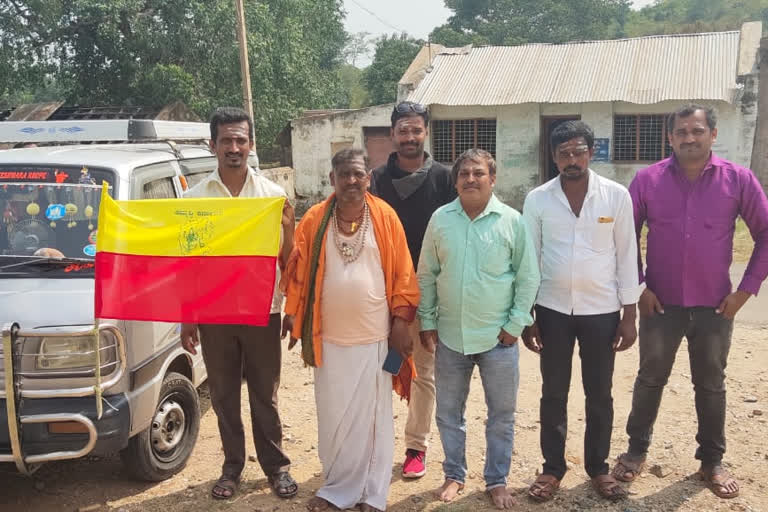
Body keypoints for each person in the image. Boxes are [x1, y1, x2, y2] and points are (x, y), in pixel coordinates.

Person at [612, 104, 768, 499]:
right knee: (650, 378)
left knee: (711, 384)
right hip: (660, 304)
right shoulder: (648, 180)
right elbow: (623, 238)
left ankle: (711, 460)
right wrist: (639, 287)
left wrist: (745, 291)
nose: (689, 137)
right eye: (681, 131)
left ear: (713, 135)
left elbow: (766, 233)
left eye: (697, 130)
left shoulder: (739, 180)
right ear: (670, 137)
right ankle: (635, 451)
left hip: (717, 306)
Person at [280, 148, 419, 512]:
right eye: (345, 175)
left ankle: (372, 494)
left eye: (358, 174)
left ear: (368, 177)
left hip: (374, 339)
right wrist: (292, 312)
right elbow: (296, 271)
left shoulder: (385, 217)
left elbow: (404, 274)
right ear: (333, 180)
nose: (352, 181)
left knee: (373, 420)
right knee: (333, 417)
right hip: (329, 340)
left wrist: (402, 323)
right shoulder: (314, 219)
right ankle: (337, 488)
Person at [180, 107, 297, 501]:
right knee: (225, 395)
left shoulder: (272, 196)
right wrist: (187, 316)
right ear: (212, 145)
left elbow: (286, 259)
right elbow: (189, 263)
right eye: (226, 140)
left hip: (263, 309)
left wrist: (288, 232)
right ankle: (232, 469)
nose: (234, 147)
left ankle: (276, 468)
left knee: (265, 394)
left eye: (241, 140)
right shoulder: (194, 200)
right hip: (215, 313)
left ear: (251, 144)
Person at [521, 121, 640, 502]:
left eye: (578, 151)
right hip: (552, 309)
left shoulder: (615, 196)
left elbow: (627, 255)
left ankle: (599, 468)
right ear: (553, 157)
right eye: (563, 153)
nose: (571, 160)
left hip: (602, 311)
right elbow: (530, 260)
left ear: (591, 151)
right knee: (553, 392)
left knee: (599, 393)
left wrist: (629, 314)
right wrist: (529, 315)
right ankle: (552, 468)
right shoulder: (538, 199)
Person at [418, 148, 540, 509]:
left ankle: (497, 479)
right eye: (464, 174)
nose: (471, 179)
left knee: (501, 415)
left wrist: (516, 324)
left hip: (497, 339)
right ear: (455, 181)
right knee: (448, 413)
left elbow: (528, 276)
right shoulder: (441, 219)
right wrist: (427, 320)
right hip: (451, 337)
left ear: (493, 178)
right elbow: (427, 274)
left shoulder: (511, 221)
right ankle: (454, 473)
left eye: (478, 173)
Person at [369, 101, 456, 479]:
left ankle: (414, 447)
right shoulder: (375, 181)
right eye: (402, 130)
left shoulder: (444, 178)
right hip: (379, 294)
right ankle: (372, 443)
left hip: (426, 296)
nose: (409, 137)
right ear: (392, 134)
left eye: (416, 130)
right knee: (383, 367)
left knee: (422, 371)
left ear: (425, 132)